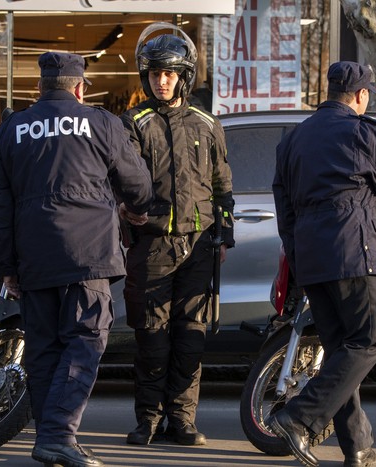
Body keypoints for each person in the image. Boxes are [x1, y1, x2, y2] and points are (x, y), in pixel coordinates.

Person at [0, 51, 153, 467]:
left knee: (44, 351)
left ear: (39, 89)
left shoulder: (12, 129)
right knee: (84, 342)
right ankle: (59, 435)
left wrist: (6, 267)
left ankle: (49, 438)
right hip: (87, 255)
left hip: (34, 259)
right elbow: (138, 183)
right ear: (80, 88)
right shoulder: (101, 123)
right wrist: (138, 208)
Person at [269, 61, 376, 467]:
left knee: (342, 352)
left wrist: (298, 257)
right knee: (370, 342)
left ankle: (357, 446)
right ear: (361, 95)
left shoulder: (293, 139)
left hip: (311, 258)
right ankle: (297, 417)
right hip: (354, 252)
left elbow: (283, 209)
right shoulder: (362, 131)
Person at [121, 22, 235, 447]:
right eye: (154, 74)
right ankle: (148, 420)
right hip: (151, 247)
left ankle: (182, 421)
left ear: (183, 75)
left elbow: (223, 187)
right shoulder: (133, 123)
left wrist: (225, 237)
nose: (161, 81)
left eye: (169, 73)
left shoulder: (207, 124)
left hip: (200, 246)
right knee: (152, 337)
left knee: (191, 338)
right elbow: (121, 182)